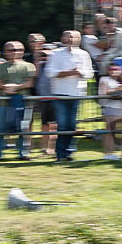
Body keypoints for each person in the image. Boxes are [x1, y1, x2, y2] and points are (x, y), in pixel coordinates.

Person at [45, 30, 95, 162]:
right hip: (59, 93)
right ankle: (60, 153)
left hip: (76, 93)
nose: (71, 39)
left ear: (79, 39)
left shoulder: (84, 54)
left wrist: (80, 72)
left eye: (74, 37)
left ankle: (67, 153)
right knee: (62, 125)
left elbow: (90, 73)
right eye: (68, 37)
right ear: (63, 38)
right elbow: (49, 72)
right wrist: (68, 73)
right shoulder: (55, 54)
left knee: (71, 125)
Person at [0, 41, 36, 160]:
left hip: (23, 102)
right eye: (11, 50)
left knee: (23, 127)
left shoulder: (29, 66)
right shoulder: (0, 67)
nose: (15, 52)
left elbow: (30, 82)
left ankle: (23, 153)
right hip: (3, 102)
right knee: (0, 127)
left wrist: (16, 87)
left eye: (18, 50)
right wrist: (5, 87)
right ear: (5, 52)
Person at [98, 62, 122, 161]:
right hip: (110, 107)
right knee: (110, 131)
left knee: (120, 132)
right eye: (111, 70)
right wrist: (117, 89)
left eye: (117, 70)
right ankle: (108, 153)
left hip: (121, 107)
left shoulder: (121, 80)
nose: (114, 72)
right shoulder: (104, 79)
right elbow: (103, 92)